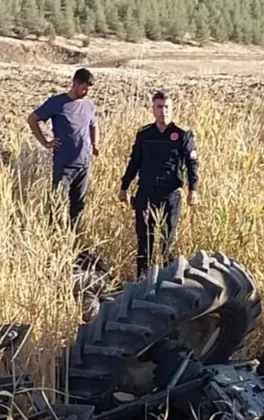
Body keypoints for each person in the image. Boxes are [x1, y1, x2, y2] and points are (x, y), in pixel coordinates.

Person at [119, 91, 201, 277]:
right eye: (159, 107)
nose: (163, 111)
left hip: (170, 194)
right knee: (144, 240)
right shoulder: (145, 134)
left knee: (167, 241)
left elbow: (192, 163)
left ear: (172, 109)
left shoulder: (182, 134)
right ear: (153, 109)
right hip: (146, 193)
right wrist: (124, 186)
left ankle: (166, 283)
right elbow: (135, 161)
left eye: (166, 107)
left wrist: (193, 190)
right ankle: (142, 281)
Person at [28, 68, 99, 232]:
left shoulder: (89, 105)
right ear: (74, 84)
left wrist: (94, 144)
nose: (86, 92)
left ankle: (74, 241)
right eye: (84, 88)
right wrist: (45, 142)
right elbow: (32, 119)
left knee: (78, 207)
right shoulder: (57, 103)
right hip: (64, 165)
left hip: (84, 165)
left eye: (89, 89)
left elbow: (94, 125)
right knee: (57, 205)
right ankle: (53, 239)